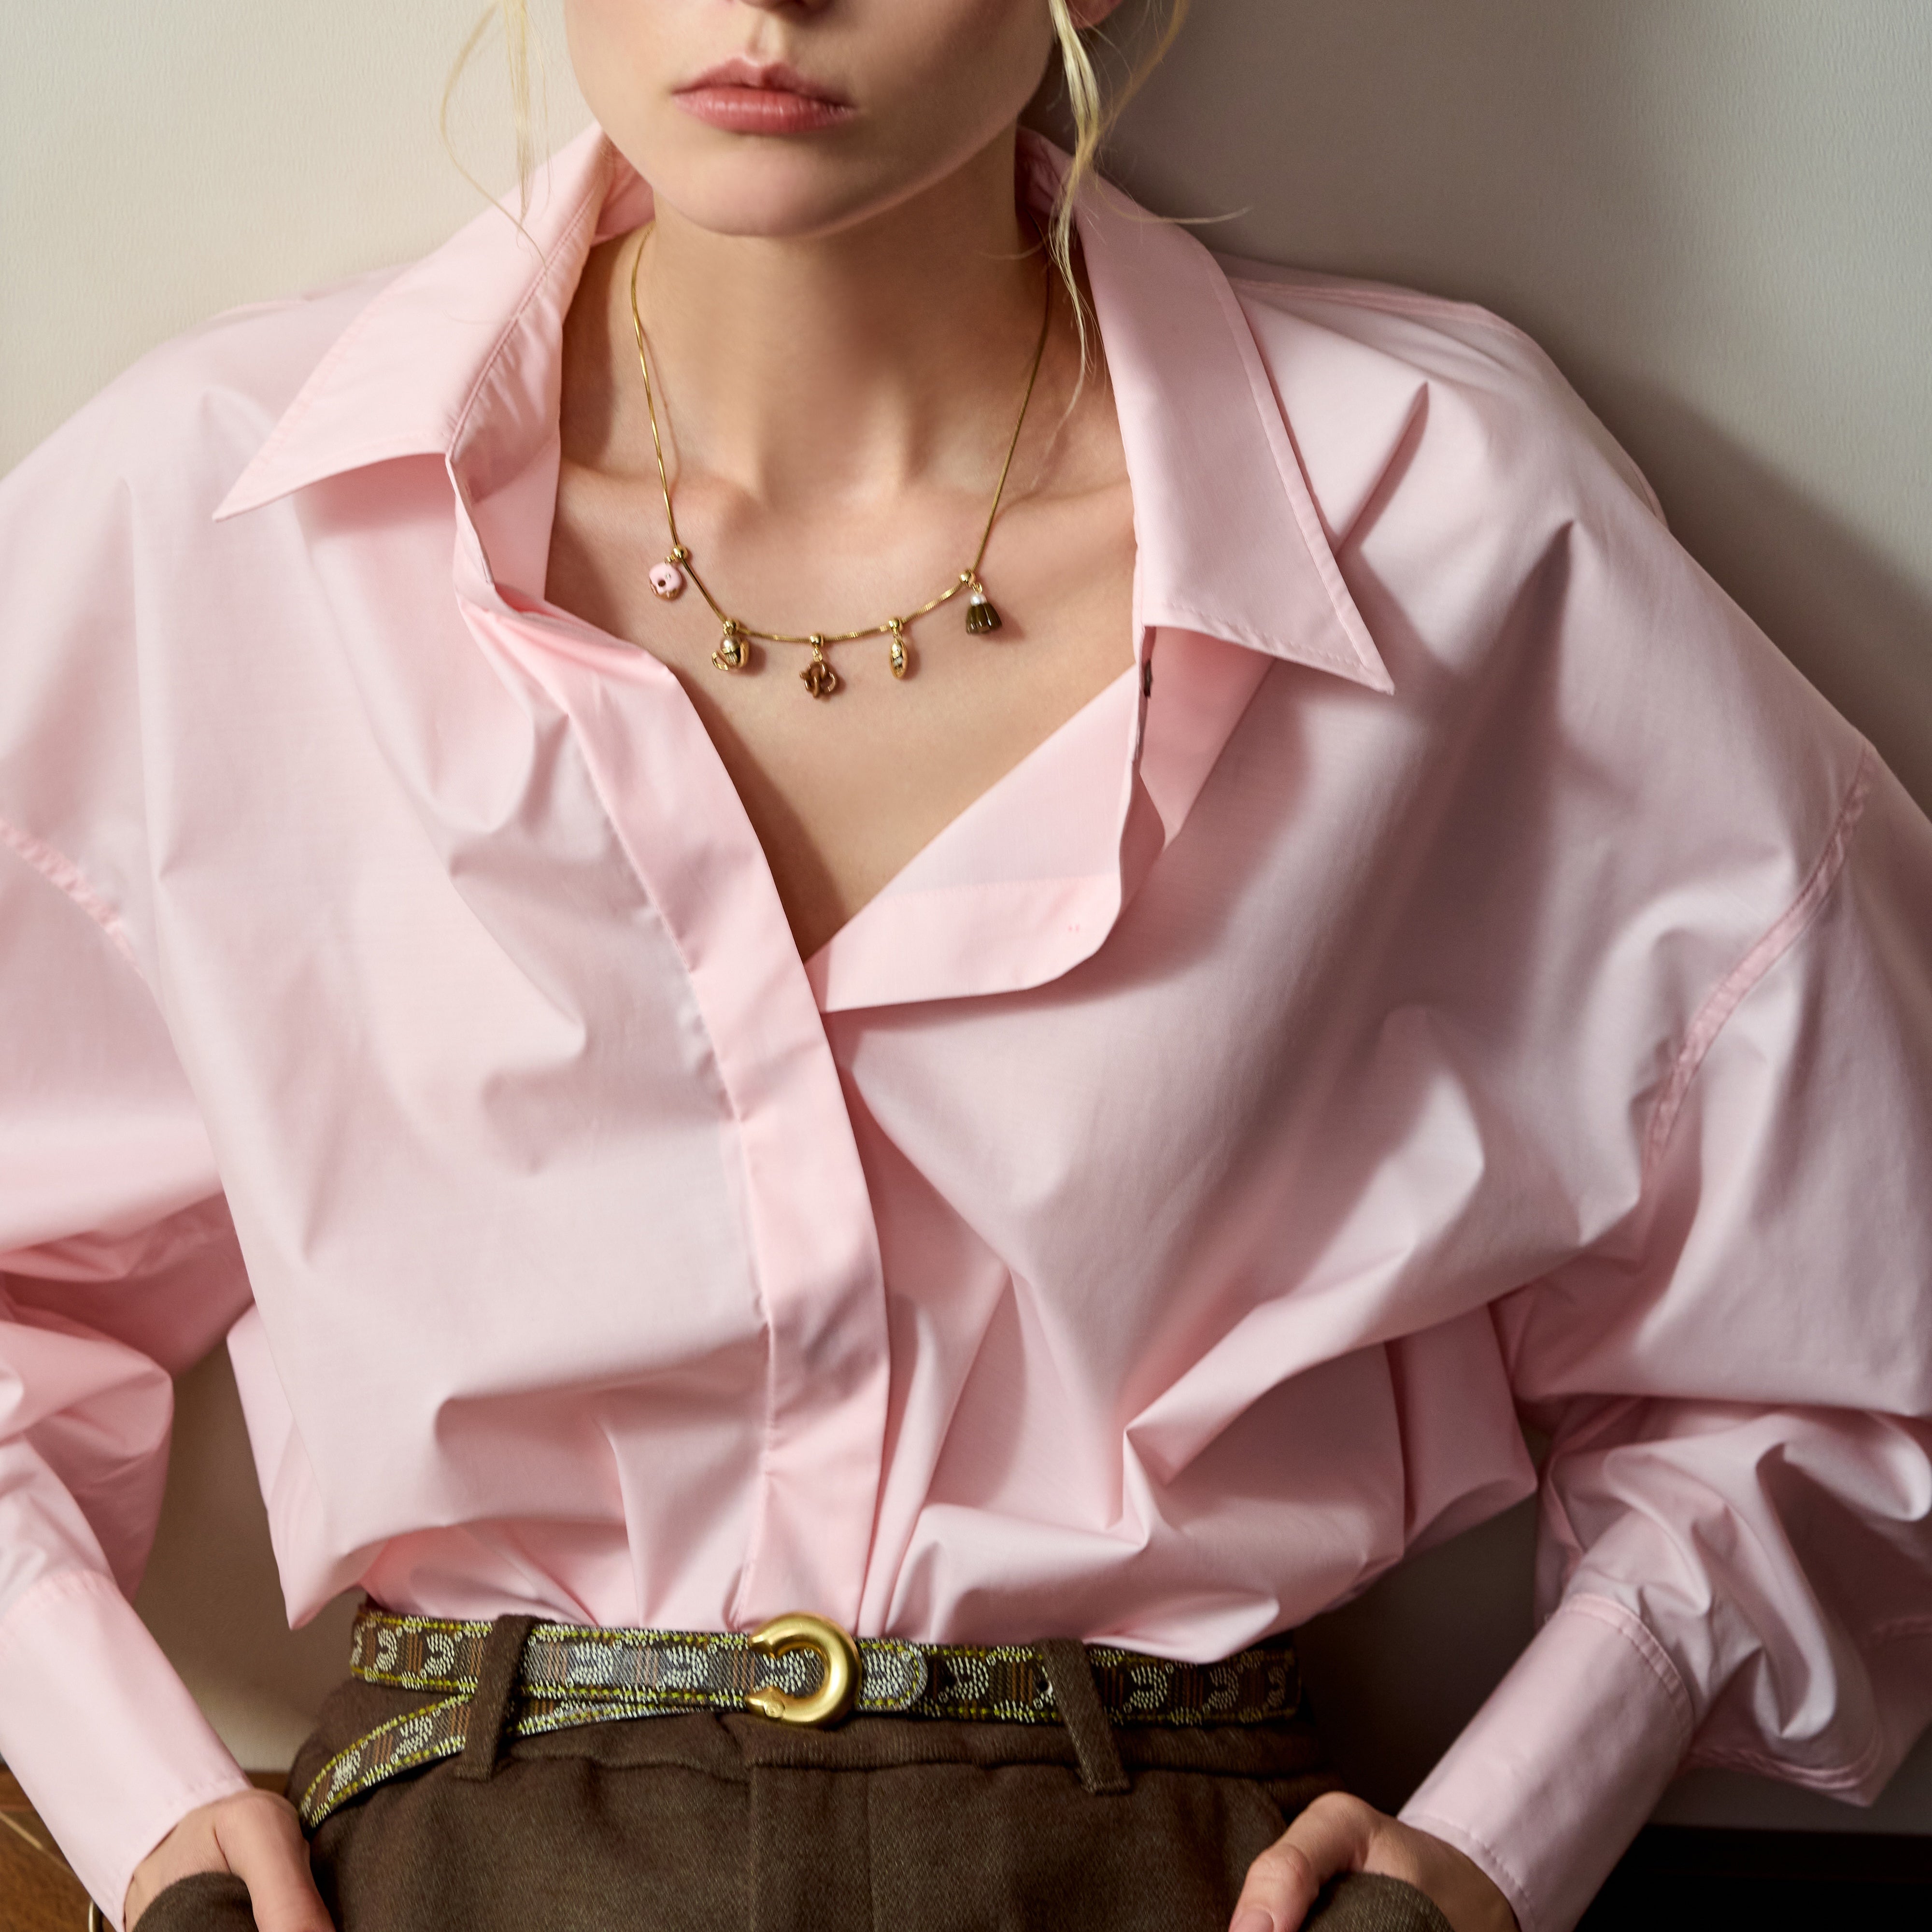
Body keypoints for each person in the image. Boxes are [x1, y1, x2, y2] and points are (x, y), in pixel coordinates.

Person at [2, 2, 1930, 1929]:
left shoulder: (1441, 519)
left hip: (1180, 1864)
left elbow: (1843, 1321)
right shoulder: (215, 522)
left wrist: (1491, 1849)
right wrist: (135, 1804)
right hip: (443, 1857)